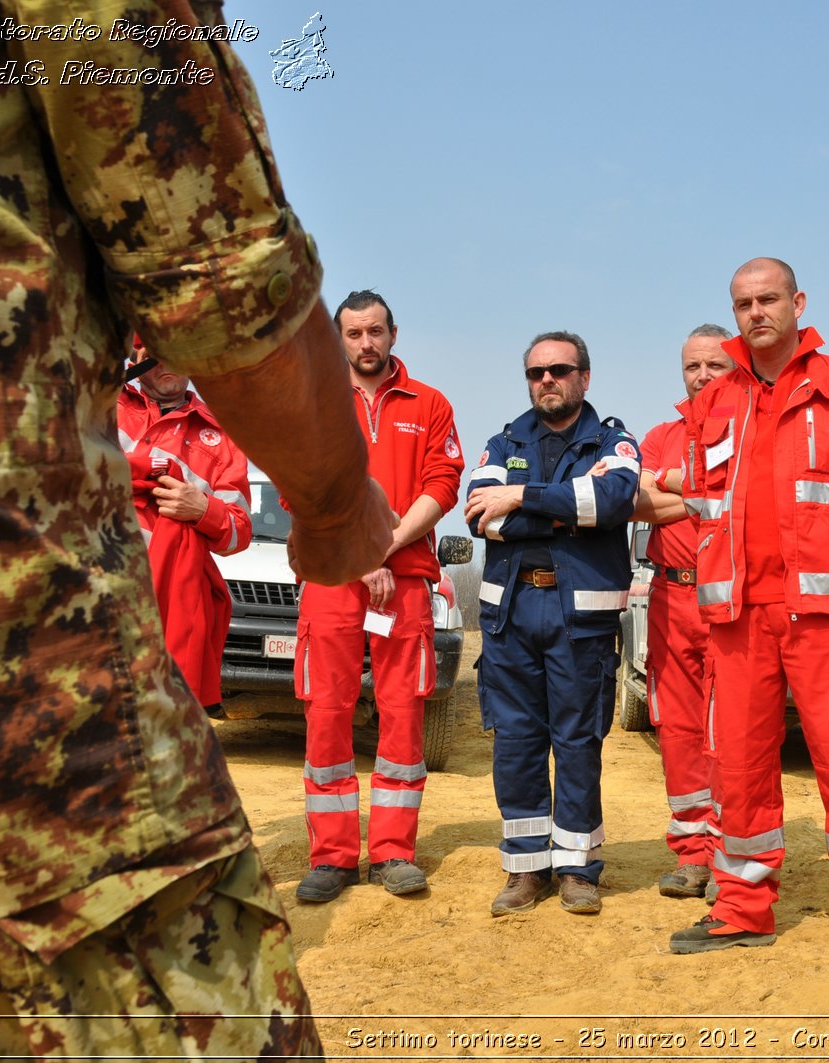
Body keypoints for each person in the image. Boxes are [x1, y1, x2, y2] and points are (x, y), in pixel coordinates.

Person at [0, 2, 394, 1057]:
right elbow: (220, 280)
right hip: (11, 730)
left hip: (185, 624)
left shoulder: (250, 425)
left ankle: (379, 846)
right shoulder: (143, 412)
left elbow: (227, 520)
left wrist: (213, 509)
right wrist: (335, 504)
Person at [669, 257, 829, 957]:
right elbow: (695, 501)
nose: (756, 312)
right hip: (738, 617)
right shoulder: (713, 402)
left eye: (768, 298)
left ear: (797, 301)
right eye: (743, 302)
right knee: (739, 764)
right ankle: (743, 905)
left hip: (823, 618)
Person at [294, 291, 465, 903]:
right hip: (330, 578)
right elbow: (303, 491)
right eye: (353, 333)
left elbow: (442, 484)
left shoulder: (431, 404)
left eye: (375, 332)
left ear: (394, 333)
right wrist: (359, 554)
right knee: (327, 714)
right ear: (338, 338)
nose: (365, 343)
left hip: (407, 580)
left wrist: (385, 545)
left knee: (402, 714)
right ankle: (333, 856)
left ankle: (394, 851)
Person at [464, 331, 638, 917]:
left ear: (584, 377)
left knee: (578, 742)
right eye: (536, 372)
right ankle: (524, 868)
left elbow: (611, 501)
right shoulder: (504, 440)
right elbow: (480, 517)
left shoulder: (611, 441)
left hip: (579, 619)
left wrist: (521, 498)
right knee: (515, 743)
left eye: (560, 370)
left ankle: (577, 869)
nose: (547, 381)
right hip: (511, 614)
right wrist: (561, 510)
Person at [632, 324, 739, 897]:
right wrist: (703, 495)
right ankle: (692, 853)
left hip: (730, 597)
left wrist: (676, 493)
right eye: (692, 367)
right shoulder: (661, 434)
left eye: (713, 367)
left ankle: (729, 854)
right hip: (671, 597)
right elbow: (635, 502)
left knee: (731, 732)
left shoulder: (749, 430)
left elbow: (741, 496)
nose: (701, 377)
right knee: (677, 730)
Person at [119, 334, 253, 719]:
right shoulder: (98, 404)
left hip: (167, 616)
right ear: (139, 355)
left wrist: (201, 509)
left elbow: (238, 534)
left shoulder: (223, 436)